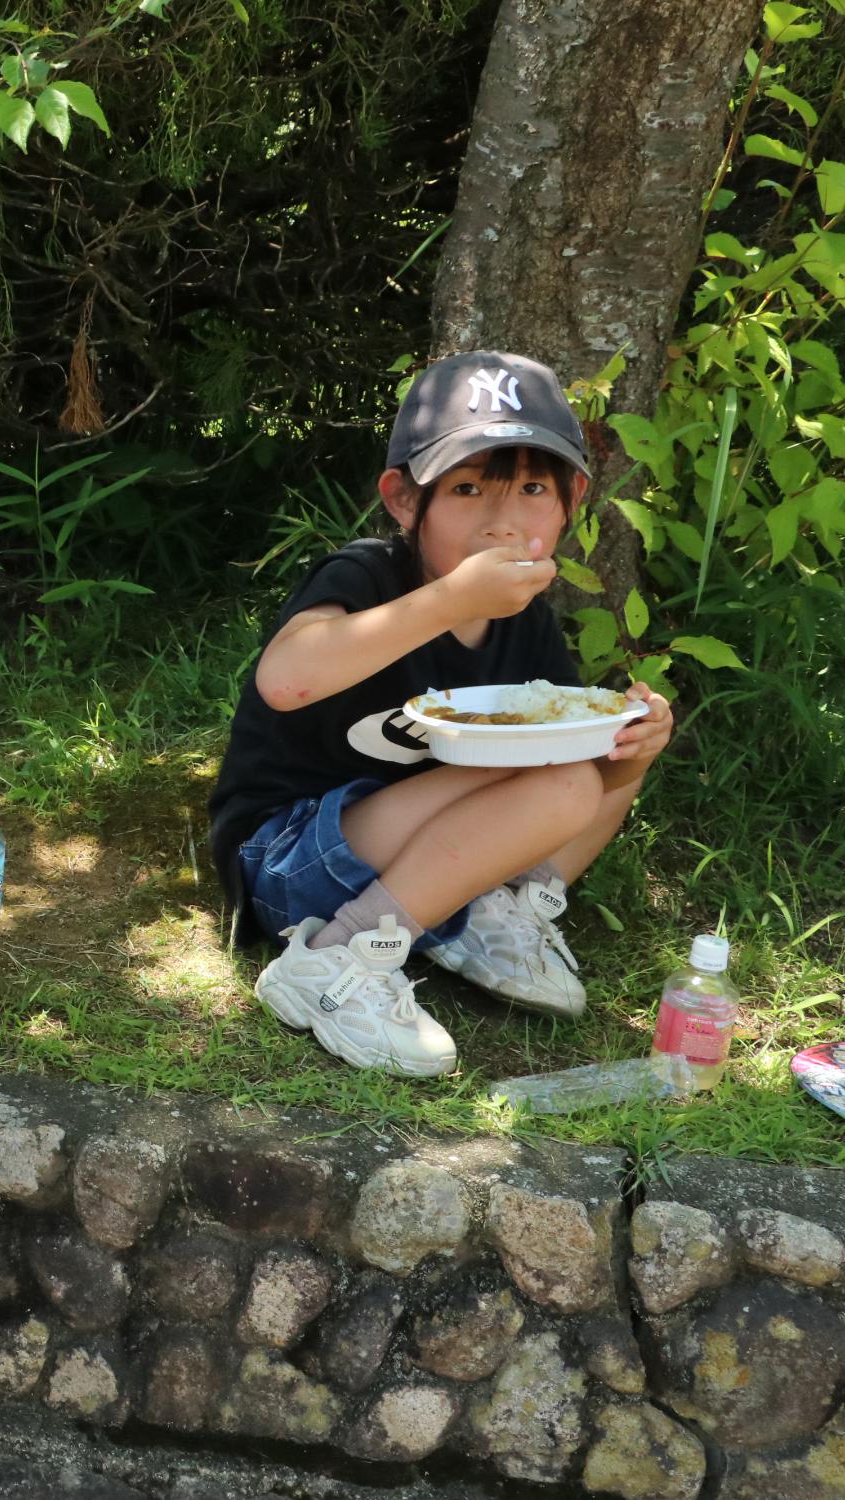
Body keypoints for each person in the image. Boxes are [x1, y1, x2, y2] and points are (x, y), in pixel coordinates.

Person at [208, 351, 674, 1076]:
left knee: (597, 756)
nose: (502, 520)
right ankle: (334, 959)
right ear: (402, 499)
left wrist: (634, 751)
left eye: (530, 489)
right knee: (565, 779)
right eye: (466, 488)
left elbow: (574, 772)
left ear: (572, 500)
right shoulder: (364, 576)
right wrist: (451, 601)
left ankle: (494, 919)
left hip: (422, 863)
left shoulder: (529, 625)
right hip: (289, 862)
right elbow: (285, 681)